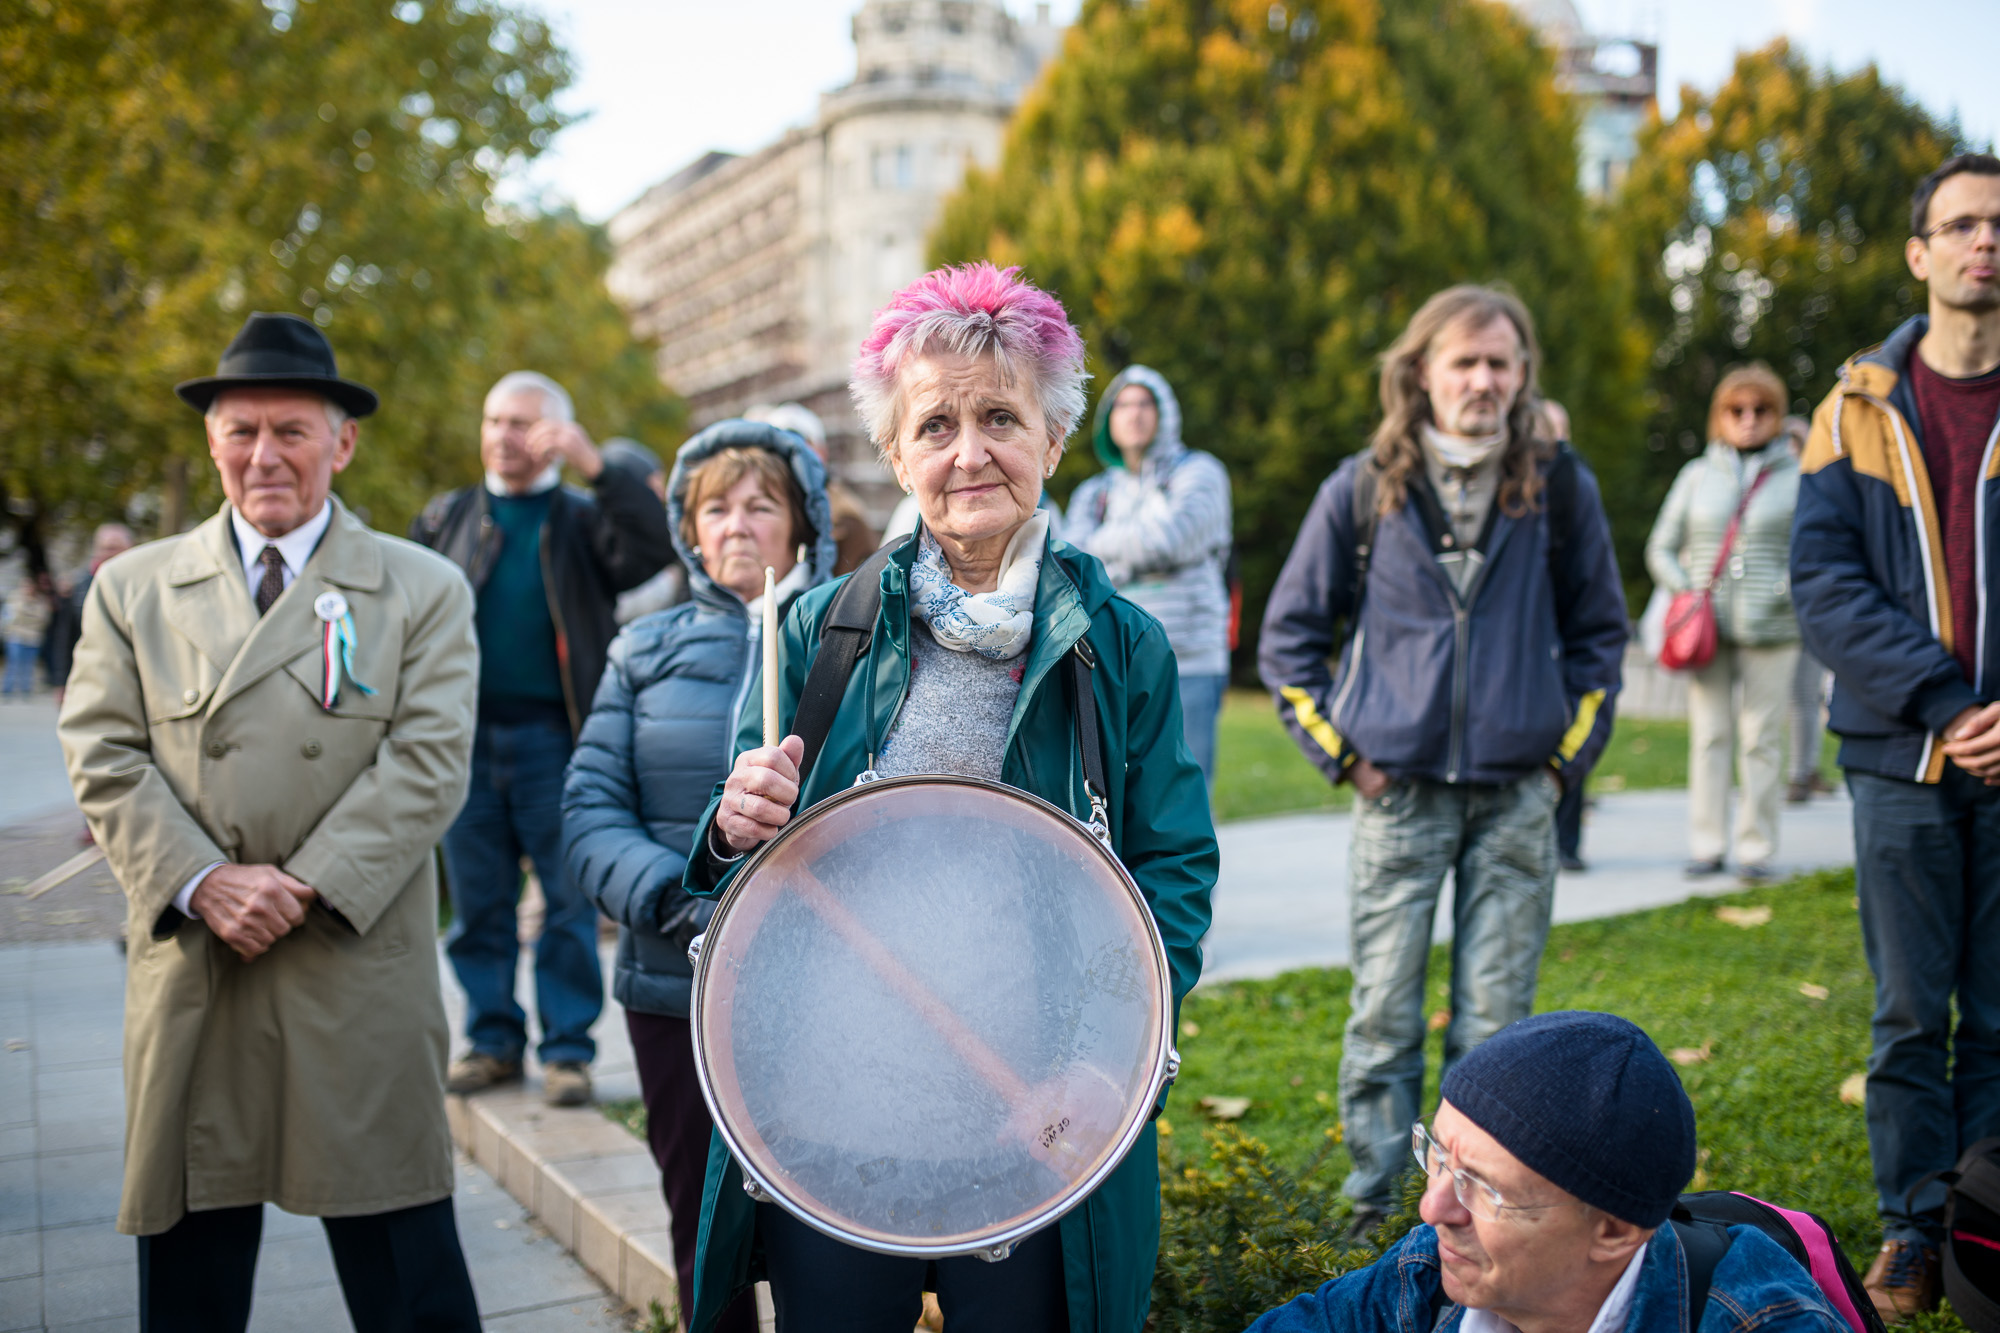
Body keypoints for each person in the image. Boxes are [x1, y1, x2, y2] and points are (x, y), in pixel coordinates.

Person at [682, 263, 1217, 1333]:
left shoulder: (1121, 650)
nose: (967, 452)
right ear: (892, 453)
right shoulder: (819, 632)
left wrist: (1105, 1060)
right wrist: (732, 825)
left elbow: (1170, 874)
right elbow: (745, 862)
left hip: (1029, 1128)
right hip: (833, 1116)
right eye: (933, 425)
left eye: (999, 417)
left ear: (1055, 438)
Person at [56, 311, 482, 1330]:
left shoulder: (421, 587)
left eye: (292, 430)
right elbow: (102, 752)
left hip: (350, 951)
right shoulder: (132, 588)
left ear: (342, 443)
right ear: (211, 441)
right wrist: (206, 881)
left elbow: (428, 762)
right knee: (192, 1266)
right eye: (241, 430)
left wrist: (303, 886)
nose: (264, 455)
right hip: (201, 955)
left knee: (405, 1265)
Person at [1259, 284, 1627, 1236]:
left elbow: (1601, 635)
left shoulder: (1559, 484)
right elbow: (1290, 638)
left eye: (1501, 362)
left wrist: (1560, 767)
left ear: (1522, 375)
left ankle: (1470, 1208)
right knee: (1381, 1016)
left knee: (1496, 1029)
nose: (1483, 380)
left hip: (1515, 796)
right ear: (1420, 373)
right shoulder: (1361, 484)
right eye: (1464, 361)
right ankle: (1378, 1209)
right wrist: (1348, 758)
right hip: (1398, 796)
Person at [564, 419, 835, 1333]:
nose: (737, 525)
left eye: (762, 504)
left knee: (818, 1223)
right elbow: (589, 811)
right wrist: (684, 899)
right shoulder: (643, 648)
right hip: (671, 982)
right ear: (687, 527)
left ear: (803, 522)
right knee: (703, 1221)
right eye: (714, 507)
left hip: (815, 989)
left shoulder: (851, 638)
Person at [1789, 152, 2000, 1322]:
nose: (1985, 243)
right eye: (1960, 225)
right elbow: (1821, 583)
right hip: (1899, 755)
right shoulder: (1850, 410)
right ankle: (1914, 1227)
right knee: (1910, 1011)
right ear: (1918, 253)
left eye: (1999, 225)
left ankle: (1986, 1229)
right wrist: (1943, 704)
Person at [1243, 1012, 1846, 1333]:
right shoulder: (1424, 1275)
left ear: (1613, 1230)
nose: (1433, 1211)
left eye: (1482, 1187)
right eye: (1441, 1157)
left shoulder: (1756, 1322)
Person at [411, 370, 673, 1108]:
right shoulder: (446, 517)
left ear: (556, 433)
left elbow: (656, 547)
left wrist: (599, 466)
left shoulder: (585, 517)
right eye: (495, 419)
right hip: (463, 740)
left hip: (557, 739)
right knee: (478, 902)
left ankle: (567, 1050)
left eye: (524, 422)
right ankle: (491, 1039)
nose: (505, 435)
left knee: (565, 901)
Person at [1645, 364, 1802, 884]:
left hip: (1773, 629)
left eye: (1761, 409)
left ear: (1777, 416)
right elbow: (1660, 548)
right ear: (1720, 416)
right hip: (1707, 628)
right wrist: (1687, 589)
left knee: (1762, 738)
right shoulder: (1696, 476)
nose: (1749, 420)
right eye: (1737, 410)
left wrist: (1785, 589)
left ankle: (1756, 848)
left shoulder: (1797, 477)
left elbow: (1814, 551)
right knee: (1710, 736)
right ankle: (1706, 844)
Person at [1063, 367, 1234, 785]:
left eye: (1145, 403)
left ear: (1165, 414)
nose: (1134, 414)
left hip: (1189, 659)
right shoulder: (1094, 492)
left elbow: (1169, 540)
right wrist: (1137, 554)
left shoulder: (1199, 473)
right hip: (1114, 662)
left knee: (1182, 795)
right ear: (1108, 418)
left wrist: (1111, 560)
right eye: (1123, 404)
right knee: (1116, 795)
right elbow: (1073, 560)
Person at [745, 402, 881, 574]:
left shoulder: (845, 520)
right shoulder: (753, 506)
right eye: (781, 443)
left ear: (822, 452)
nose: (791, 452)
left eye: (802, 443)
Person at [1777, 416, 1834, 803]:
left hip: (1806, 605)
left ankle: (1803, 772)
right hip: (1772, 608)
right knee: (1795, 697)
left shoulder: (1815, 486)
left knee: (1805, 693)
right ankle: (1799, 771)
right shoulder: (1769, 488)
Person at [602, 437, 691, 624]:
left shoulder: (666, 524)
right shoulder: (600, 532)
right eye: (653, 486)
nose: (662, 494)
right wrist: (672, 581)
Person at [45, 523, 136, 703]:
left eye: (116, 548)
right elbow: (65, 637)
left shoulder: (143, 584)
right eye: (105, 548)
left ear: (130, 548)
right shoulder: (79, 587)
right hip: (89, 677)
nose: (110, 553)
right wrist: (60, 681)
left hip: (132, 679)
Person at [2, 574, 51, 696]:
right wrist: (28, 615)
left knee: (28, 665)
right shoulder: (15, 598)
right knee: (13, 664)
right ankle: (7, 689)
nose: (28, 588)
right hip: (16, 636)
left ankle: (25, 689)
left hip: (33, 638)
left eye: (30, 586)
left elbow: (43, 619)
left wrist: (25, 615)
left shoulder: (40, 601)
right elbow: (12, 617)